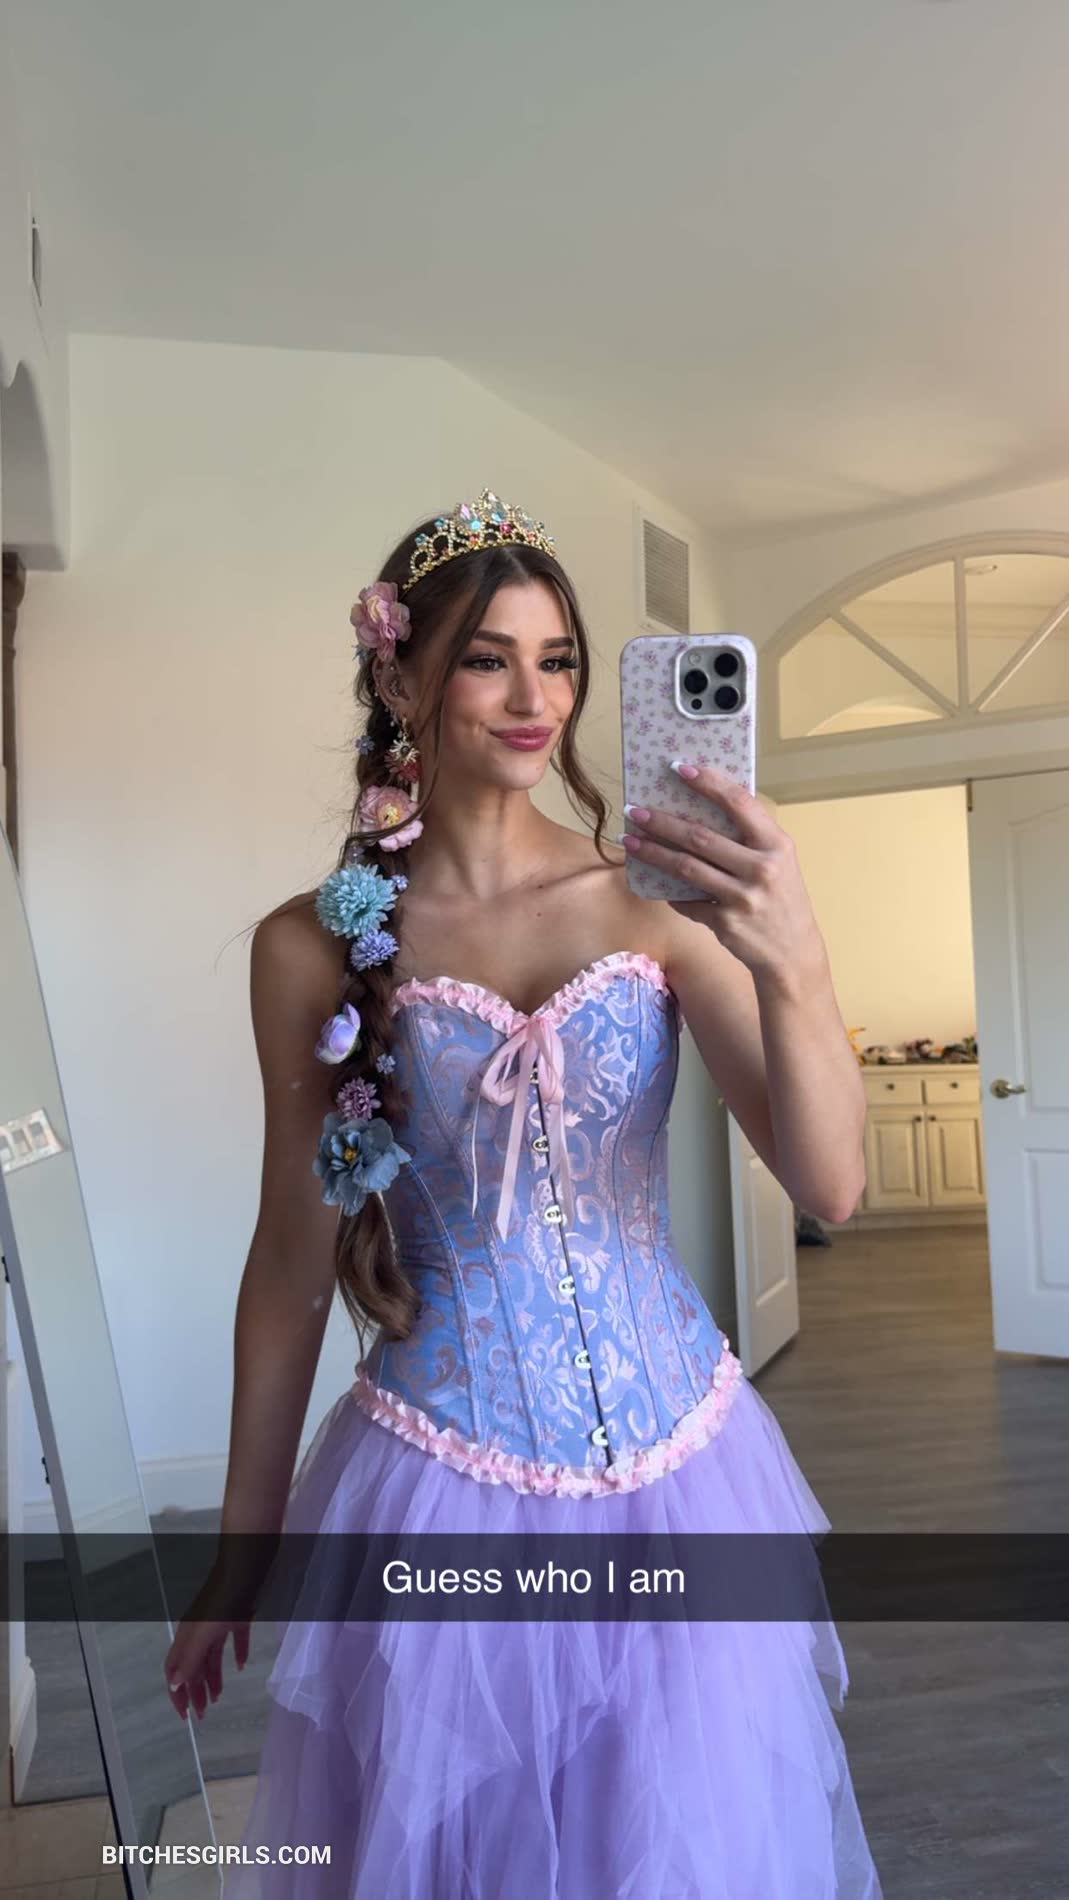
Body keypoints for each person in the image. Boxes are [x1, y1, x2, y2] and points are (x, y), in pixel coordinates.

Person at [164, 489, 884, 1897]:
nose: (534, 697)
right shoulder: (308, 948)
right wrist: (242, 1551)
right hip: (442, 1483)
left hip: (681, 1474)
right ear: (398, 676)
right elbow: (292, 1264)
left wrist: (793, 957)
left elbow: (833, 1185)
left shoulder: (656, 897)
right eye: (487, 658)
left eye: (557, 659)